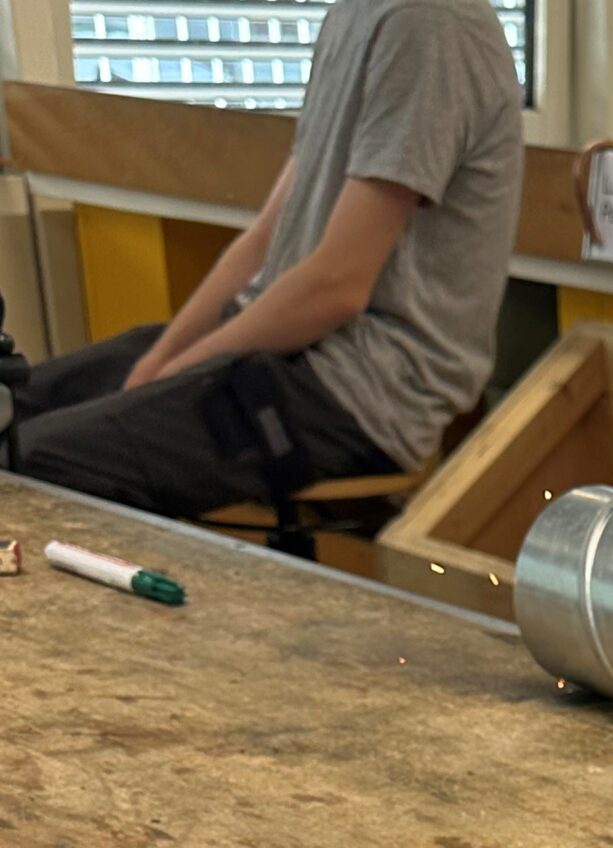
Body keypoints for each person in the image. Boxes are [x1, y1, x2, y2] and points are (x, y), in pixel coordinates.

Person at [13, 0, 524, 519]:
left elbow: (337, 288)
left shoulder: (427, 25)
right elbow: (265, 238)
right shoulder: (354, 15)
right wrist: (157, 362)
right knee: (12, 411)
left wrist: (176, 372)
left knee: (34, 466)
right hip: (284, 351)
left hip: (355, 393)